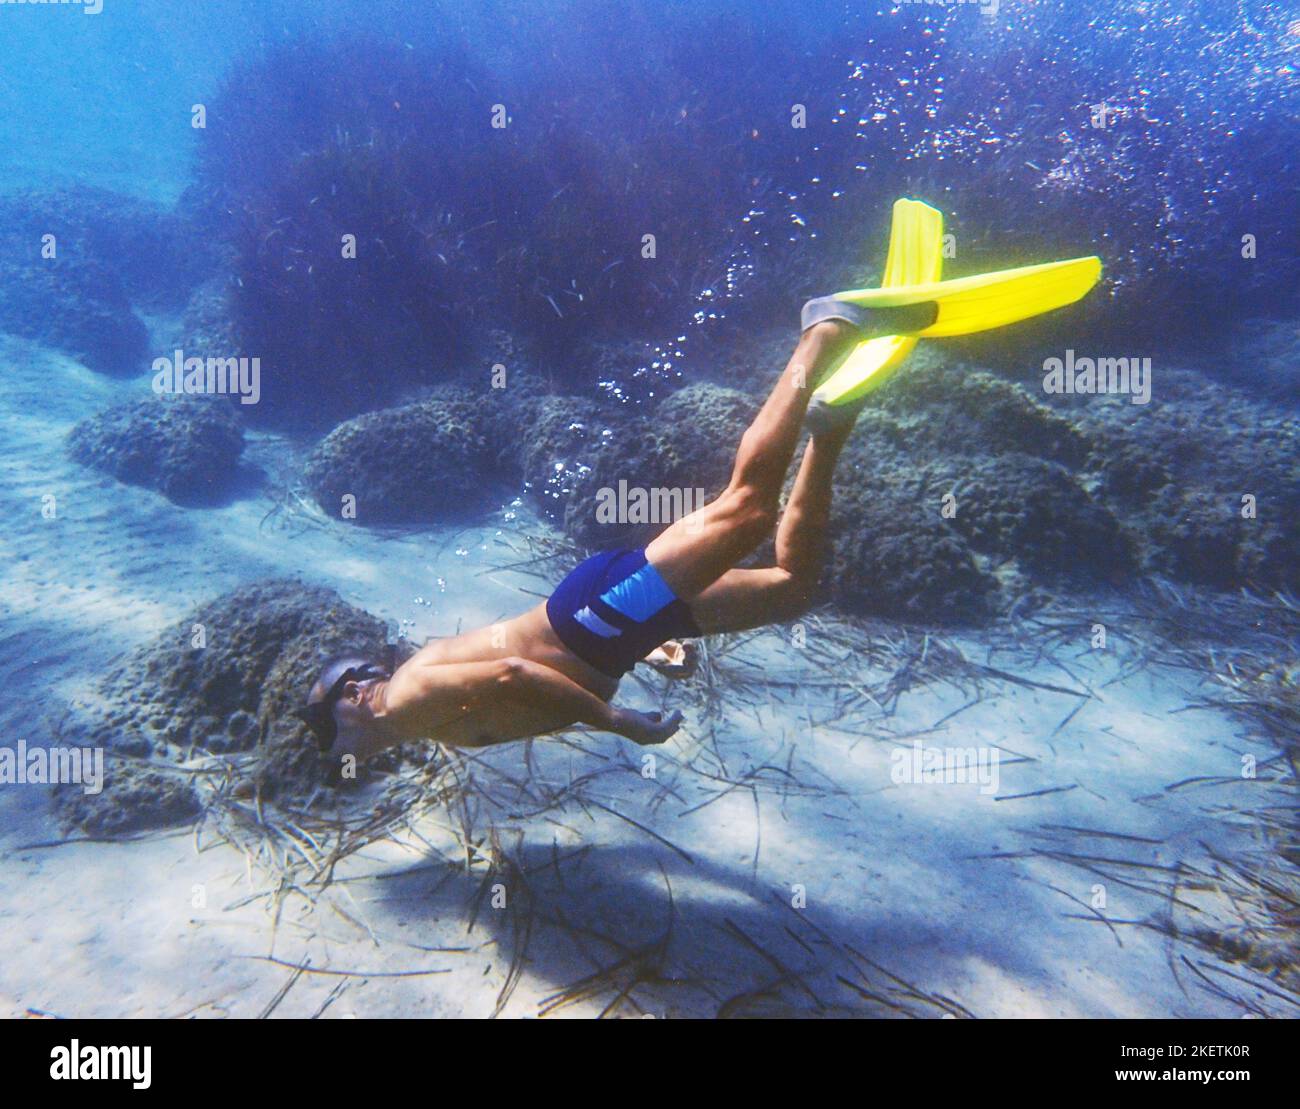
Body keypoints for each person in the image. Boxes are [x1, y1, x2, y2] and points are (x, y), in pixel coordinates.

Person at [298, 299, 934, 765]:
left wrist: (615, 720)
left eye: (330, 729)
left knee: (744, 511)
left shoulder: (405, 699)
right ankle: (831, 429)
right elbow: (525, 668)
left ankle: (823, 332)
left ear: (354, 695)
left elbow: (514, 674)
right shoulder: (419, 713)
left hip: (600, 617)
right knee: (791, 588)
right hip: (612, 629)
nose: (335, 748)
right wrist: (648, 646)